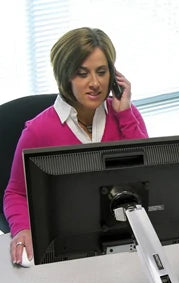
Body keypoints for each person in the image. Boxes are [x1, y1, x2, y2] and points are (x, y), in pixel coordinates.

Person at [3, 27, 148, 265]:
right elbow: (15, 193)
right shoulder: (39, 130)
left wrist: (125, 116)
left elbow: (147, 175)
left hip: (118, 238)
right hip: (65, 243)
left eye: (102, 72)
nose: (95, 83)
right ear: (65, 76)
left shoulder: (125, 116)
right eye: (82, 74)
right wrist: (22, 228)